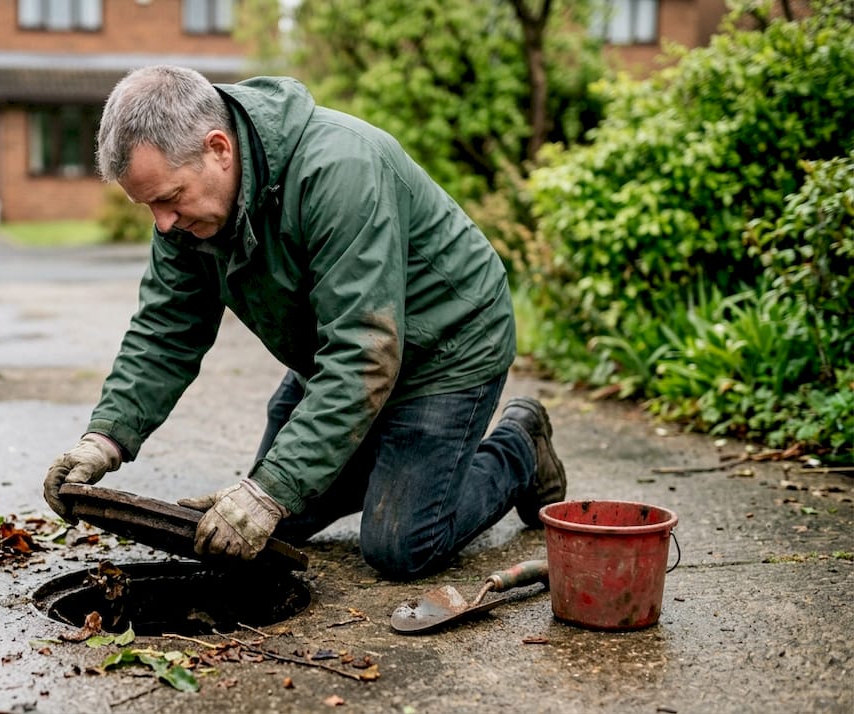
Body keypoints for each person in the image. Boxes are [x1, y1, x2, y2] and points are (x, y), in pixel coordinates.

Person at [43, 65, 565, 579]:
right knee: (277, 521)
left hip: (446, 347)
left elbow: (364, 350)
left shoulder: (341, 170)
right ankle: (390, 459)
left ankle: (520, 447)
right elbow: (165, 330)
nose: (162, 223)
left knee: (399, 544)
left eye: (169, 198)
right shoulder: (186, 219)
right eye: (148, 206)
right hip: (336, 353)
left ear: (219, 149)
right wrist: (105, 438)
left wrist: (270, 488)